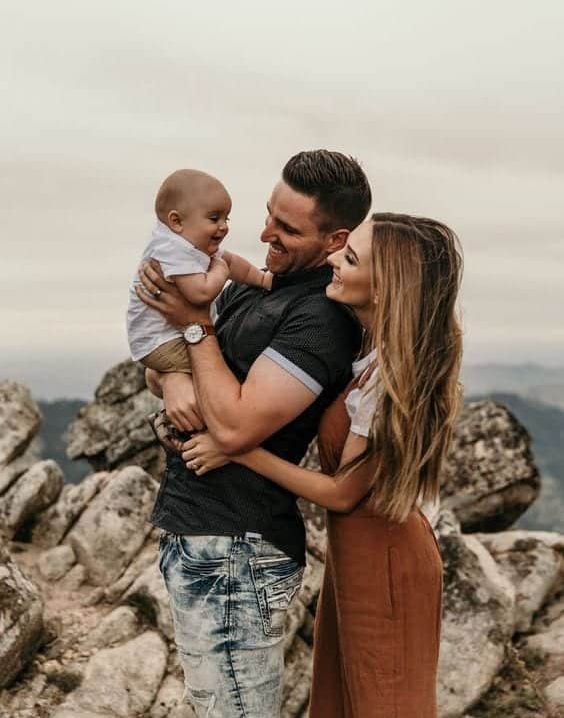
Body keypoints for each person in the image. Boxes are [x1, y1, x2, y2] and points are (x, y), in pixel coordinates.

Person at [180, 213, 463, 718]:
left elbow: (341, 493)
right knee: (344, 698)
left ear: (385, 288)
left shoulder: (391, 379)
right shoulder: (369, 353)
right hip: (358, 554)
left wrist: (237, 446)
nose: (333, 258)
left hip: (386, 561)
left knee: (384, 703)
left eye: (350, 257)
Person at [136, 151, 372, 718]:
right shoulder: (257, 283)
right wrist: (171, 379)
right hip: (202, 535)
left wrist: (192, 326)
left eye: (287, 228)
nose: (265, 232)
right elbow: (168, 364)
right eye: (268, 213)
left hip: (237, 547)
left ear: (335, 238)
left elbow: (236, 421)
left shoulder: (321, 316)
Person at [127, 168, 271, 377]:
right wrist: (221, 270)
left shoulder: (192, 242)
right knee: (216, 374)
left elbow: (232, 261)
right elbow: (201, 292)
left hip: (174, 334)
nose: (223, 227)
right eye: (214, 219)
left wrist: (262, 278)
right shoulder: (172, 250)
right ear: (177, 222)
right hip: (160, 342)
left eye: (226, 219)